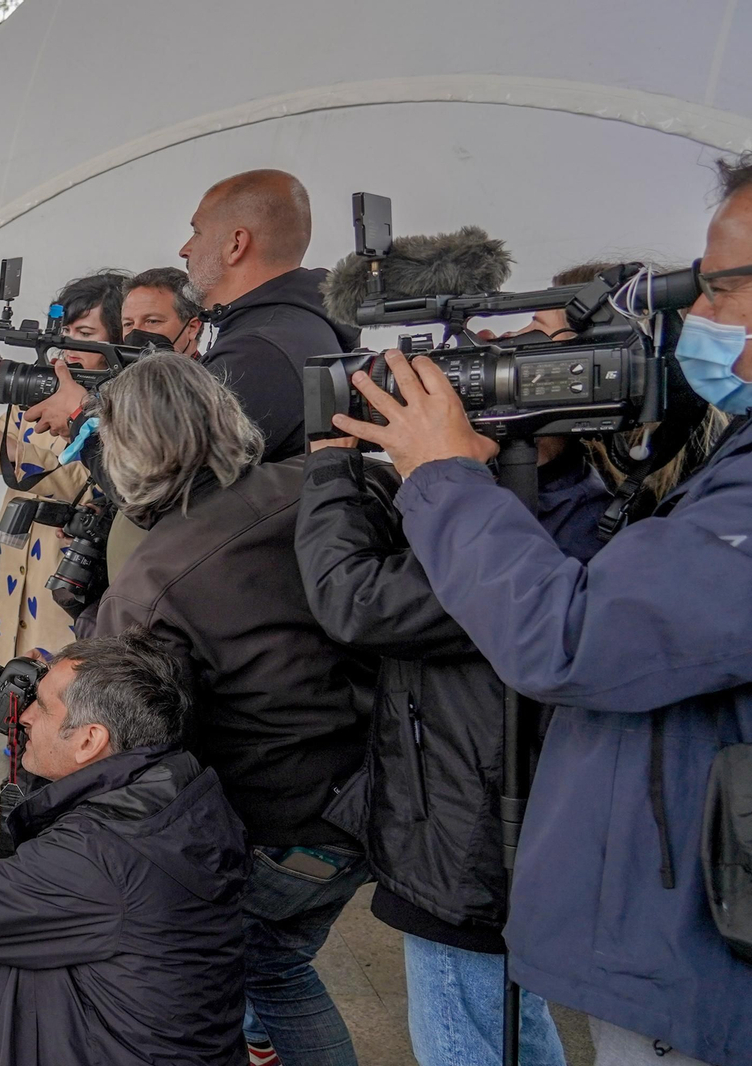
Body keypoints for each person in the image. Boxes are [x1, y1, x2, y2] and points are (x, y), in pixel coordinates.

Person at [327, 159, 752, 1066]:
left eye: (718, 292)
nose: (706, 319)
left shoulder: (602, 506)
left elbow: (561, 637)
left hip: (624, 903)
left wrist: (434, 475)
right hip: (638, 893)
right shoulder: (679, 482)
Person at [293, 268, 629, 1066]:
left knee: (465, 1037)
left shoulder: (538, 523)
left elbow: (356, 599)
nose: (500, 353)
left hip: (473, 840)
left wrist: (333, 463)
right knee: (507, 1025)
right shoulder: (540, 491)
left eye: (535, 339)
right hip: (466, 818)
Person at [79, 353, 374, 1066]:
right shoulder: (327, 481)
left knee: (261, 967)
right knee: (270, 961)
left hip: (289, 824)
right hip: (383, 793)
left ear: (126, 450)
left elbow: (123, 747)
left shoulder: (152, 581)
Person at [0, 628, 250, 1066]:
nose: (22, 716)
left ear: (89, 740)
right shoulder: (180, 785)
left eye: (40, 706)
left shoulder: (93, 856)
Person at [29, 171, 360, 463]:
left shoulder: (259, 351)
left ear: (236, 244)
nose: (185, 249)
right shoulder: (287, 329)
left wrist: (79, 418)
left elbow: (160, 481)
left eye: (197, 232)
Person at [0, 272, 125, 663]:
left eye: (84, 333)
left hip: (70, 559)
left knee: (57, 671)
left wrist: (14, 449)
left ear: (115, 338)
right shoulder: (41, 382)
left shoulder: (118, 401)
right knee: (10, 664)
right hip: (18, 551)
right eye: (66, 330)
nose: (69, 346)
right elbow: (1, 446)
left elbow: (100, 484)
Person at [120, 266, 205, 356]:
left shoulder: (216, 368)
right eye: (128, 324)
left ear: (192, 327)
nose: (135, 332)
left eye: (152, 321)